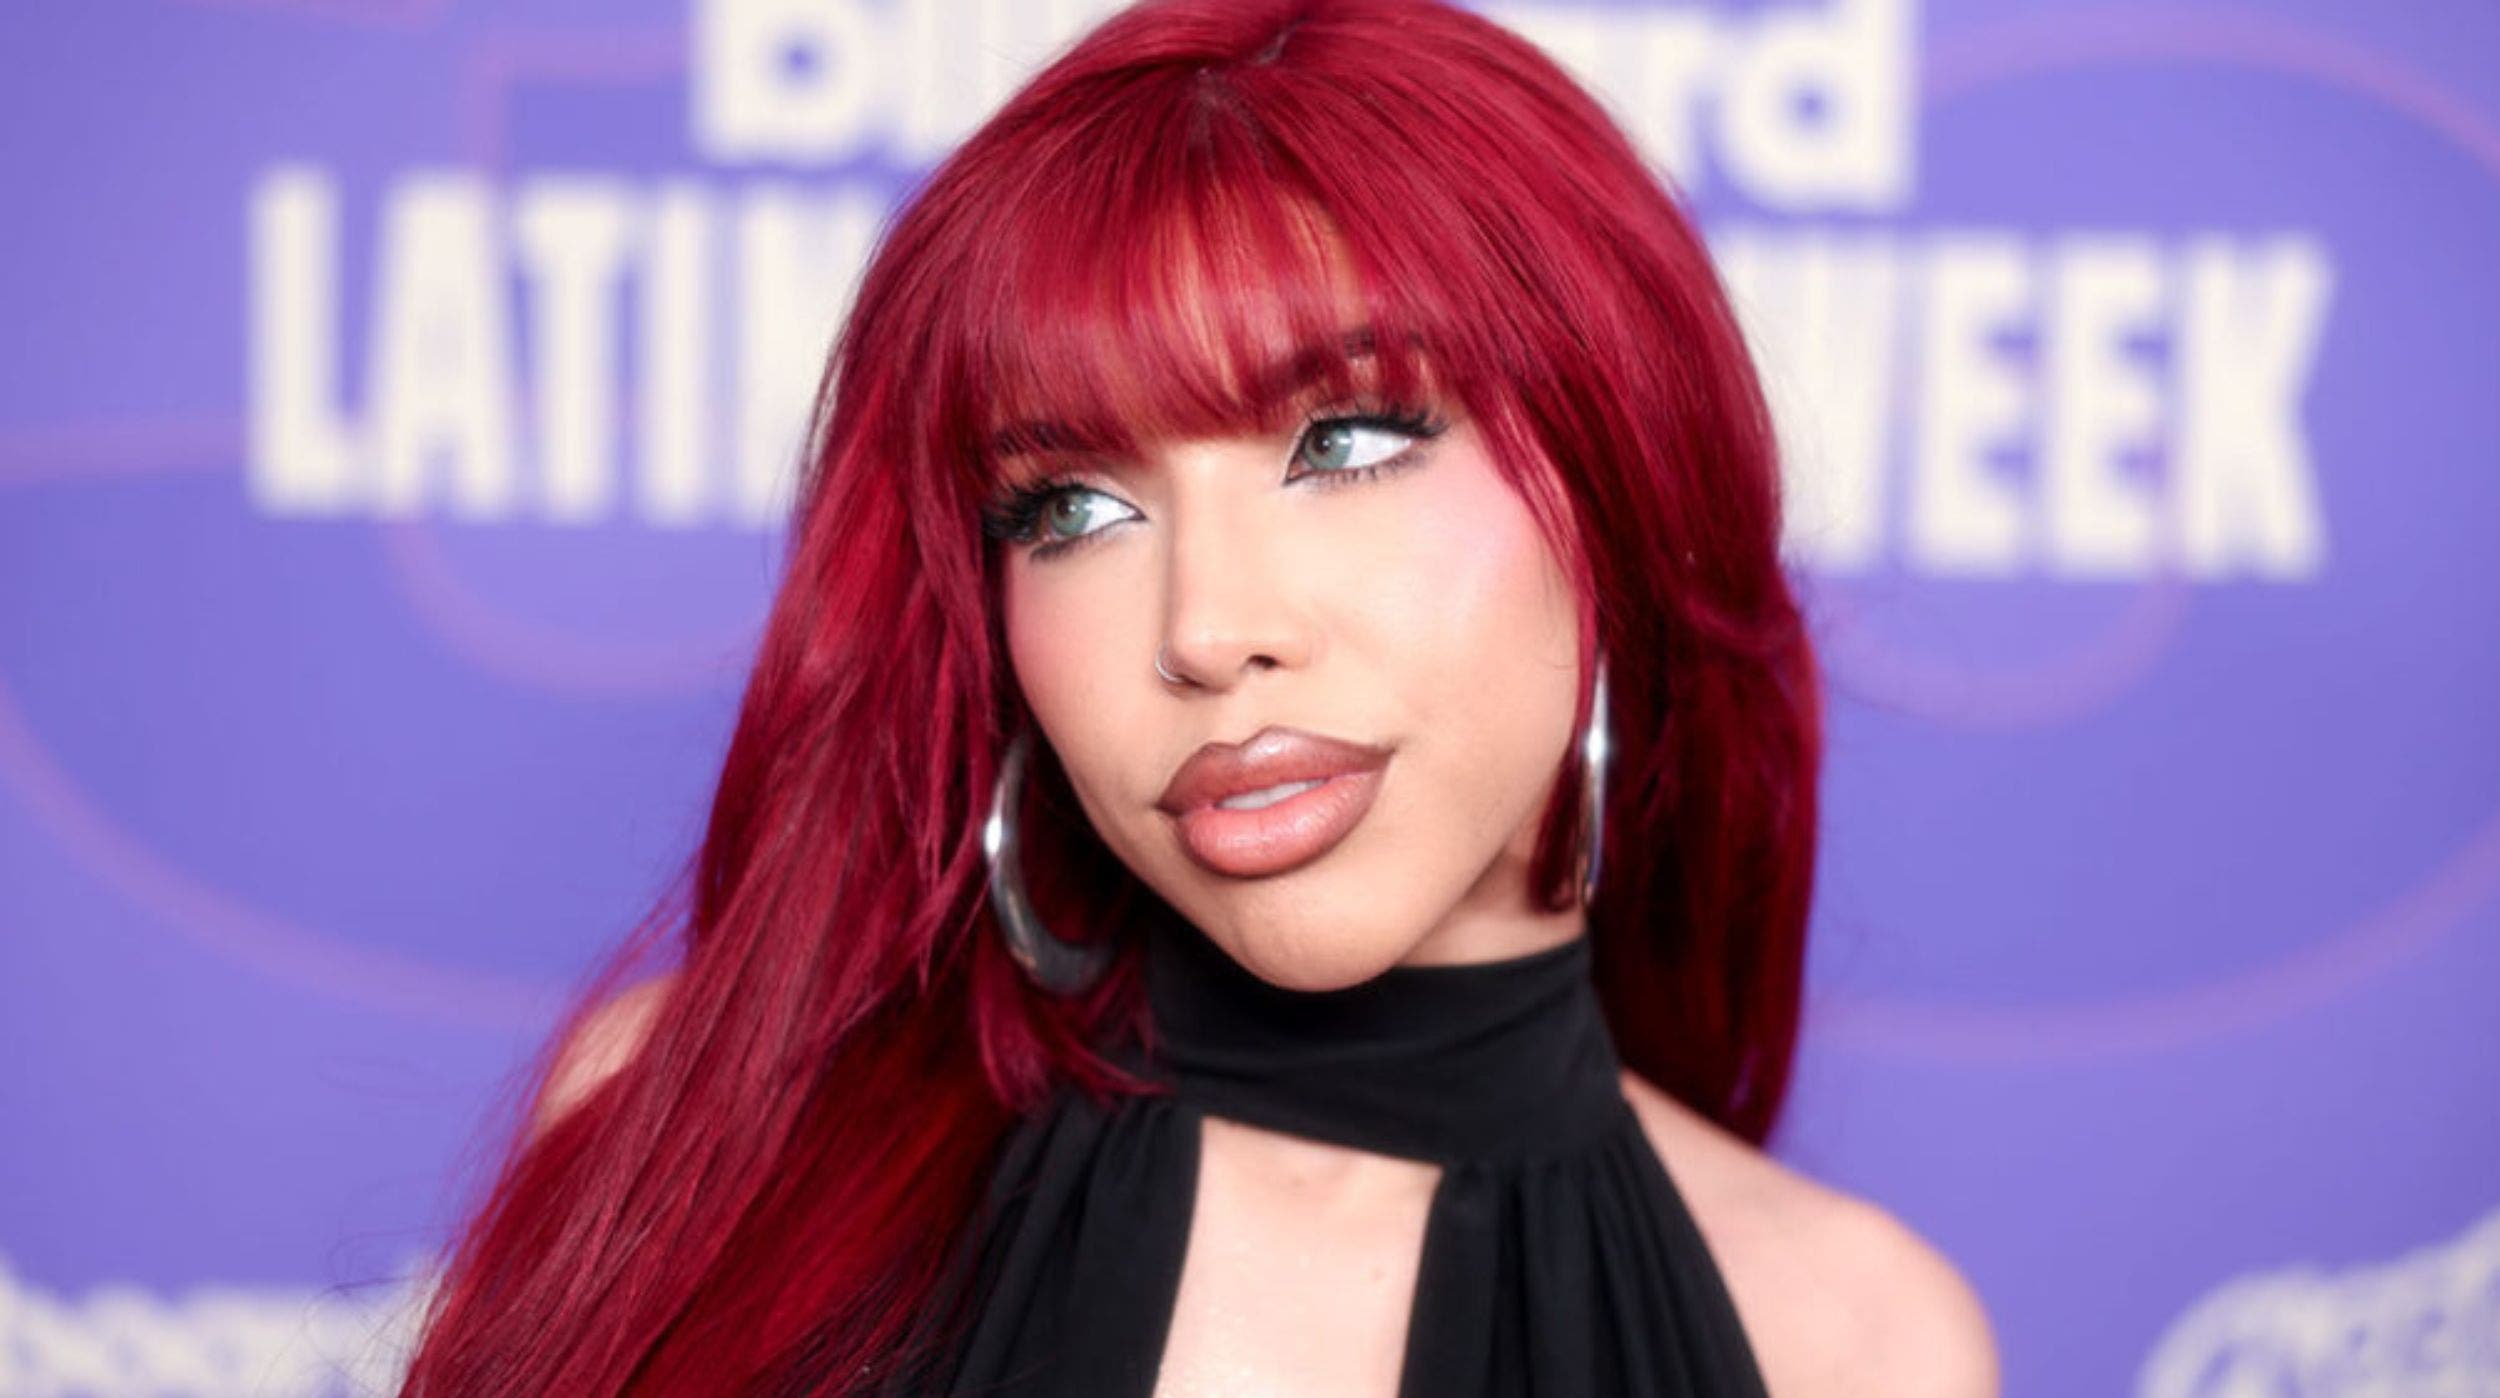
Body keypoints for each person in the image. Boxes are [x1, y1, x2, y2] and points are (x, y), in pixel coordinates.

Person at [395, 0, 2000, 1393]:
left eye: (1347, 440)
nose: (1208, 630)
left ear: (1623, 480)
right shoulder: (694, 1134)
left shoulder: (1849, 1342)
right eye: (1072, 507)